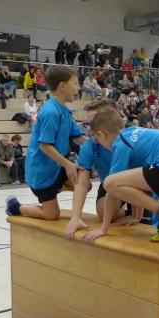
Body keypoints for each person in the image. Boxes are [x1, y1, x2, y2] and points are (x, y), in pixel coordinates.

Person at [81, 107, 159, 243]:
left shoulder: (121, 144)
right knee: (135, 179)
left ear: (102, 134)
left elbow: (111, 189)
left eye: (97, 139)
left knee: (109, 182)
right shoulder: (131, 133)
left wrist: (104, 228)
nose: (99, 144)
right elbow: (136, 182)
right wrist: (136, 216)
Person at [6, 66, 86, 220]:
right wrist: (68, 164)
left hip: (57, 167)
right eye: (75, 83)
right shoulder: (50, 111)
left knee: (84, 184)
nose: (78, 88)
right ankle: (15, 206)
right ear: (63, 86)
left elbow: (77, 137)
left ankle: (57, 187)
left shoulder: (65, 111)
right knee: (52, 215)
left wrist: (100, 143)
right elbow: (44, 146)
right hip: (42, 173)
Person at [64, 99, 131, 239]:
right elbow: (82, 183)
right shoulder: (89, 146)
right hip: (111, 184)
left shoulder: (129, 139)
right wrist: (75, 217)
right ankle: (126, 212)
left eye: (93, 123)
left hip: (136, 183)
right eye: (88, 124)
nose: (90, 129)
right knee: (104, 212)